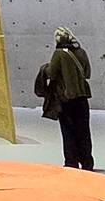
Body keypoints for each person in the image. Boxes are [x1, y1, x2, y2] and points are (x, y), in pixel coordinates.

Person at [35, 30, 96, 171]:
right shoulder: (81, 52)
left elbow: (52, 73)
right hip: (82, 97)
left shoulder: (59, 53)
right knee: (84, 131)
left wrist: (44, 68)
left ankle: (71, 162)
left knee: (68, 131)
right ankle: (87, 162)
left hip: (66, 98)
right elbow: (87, 73)